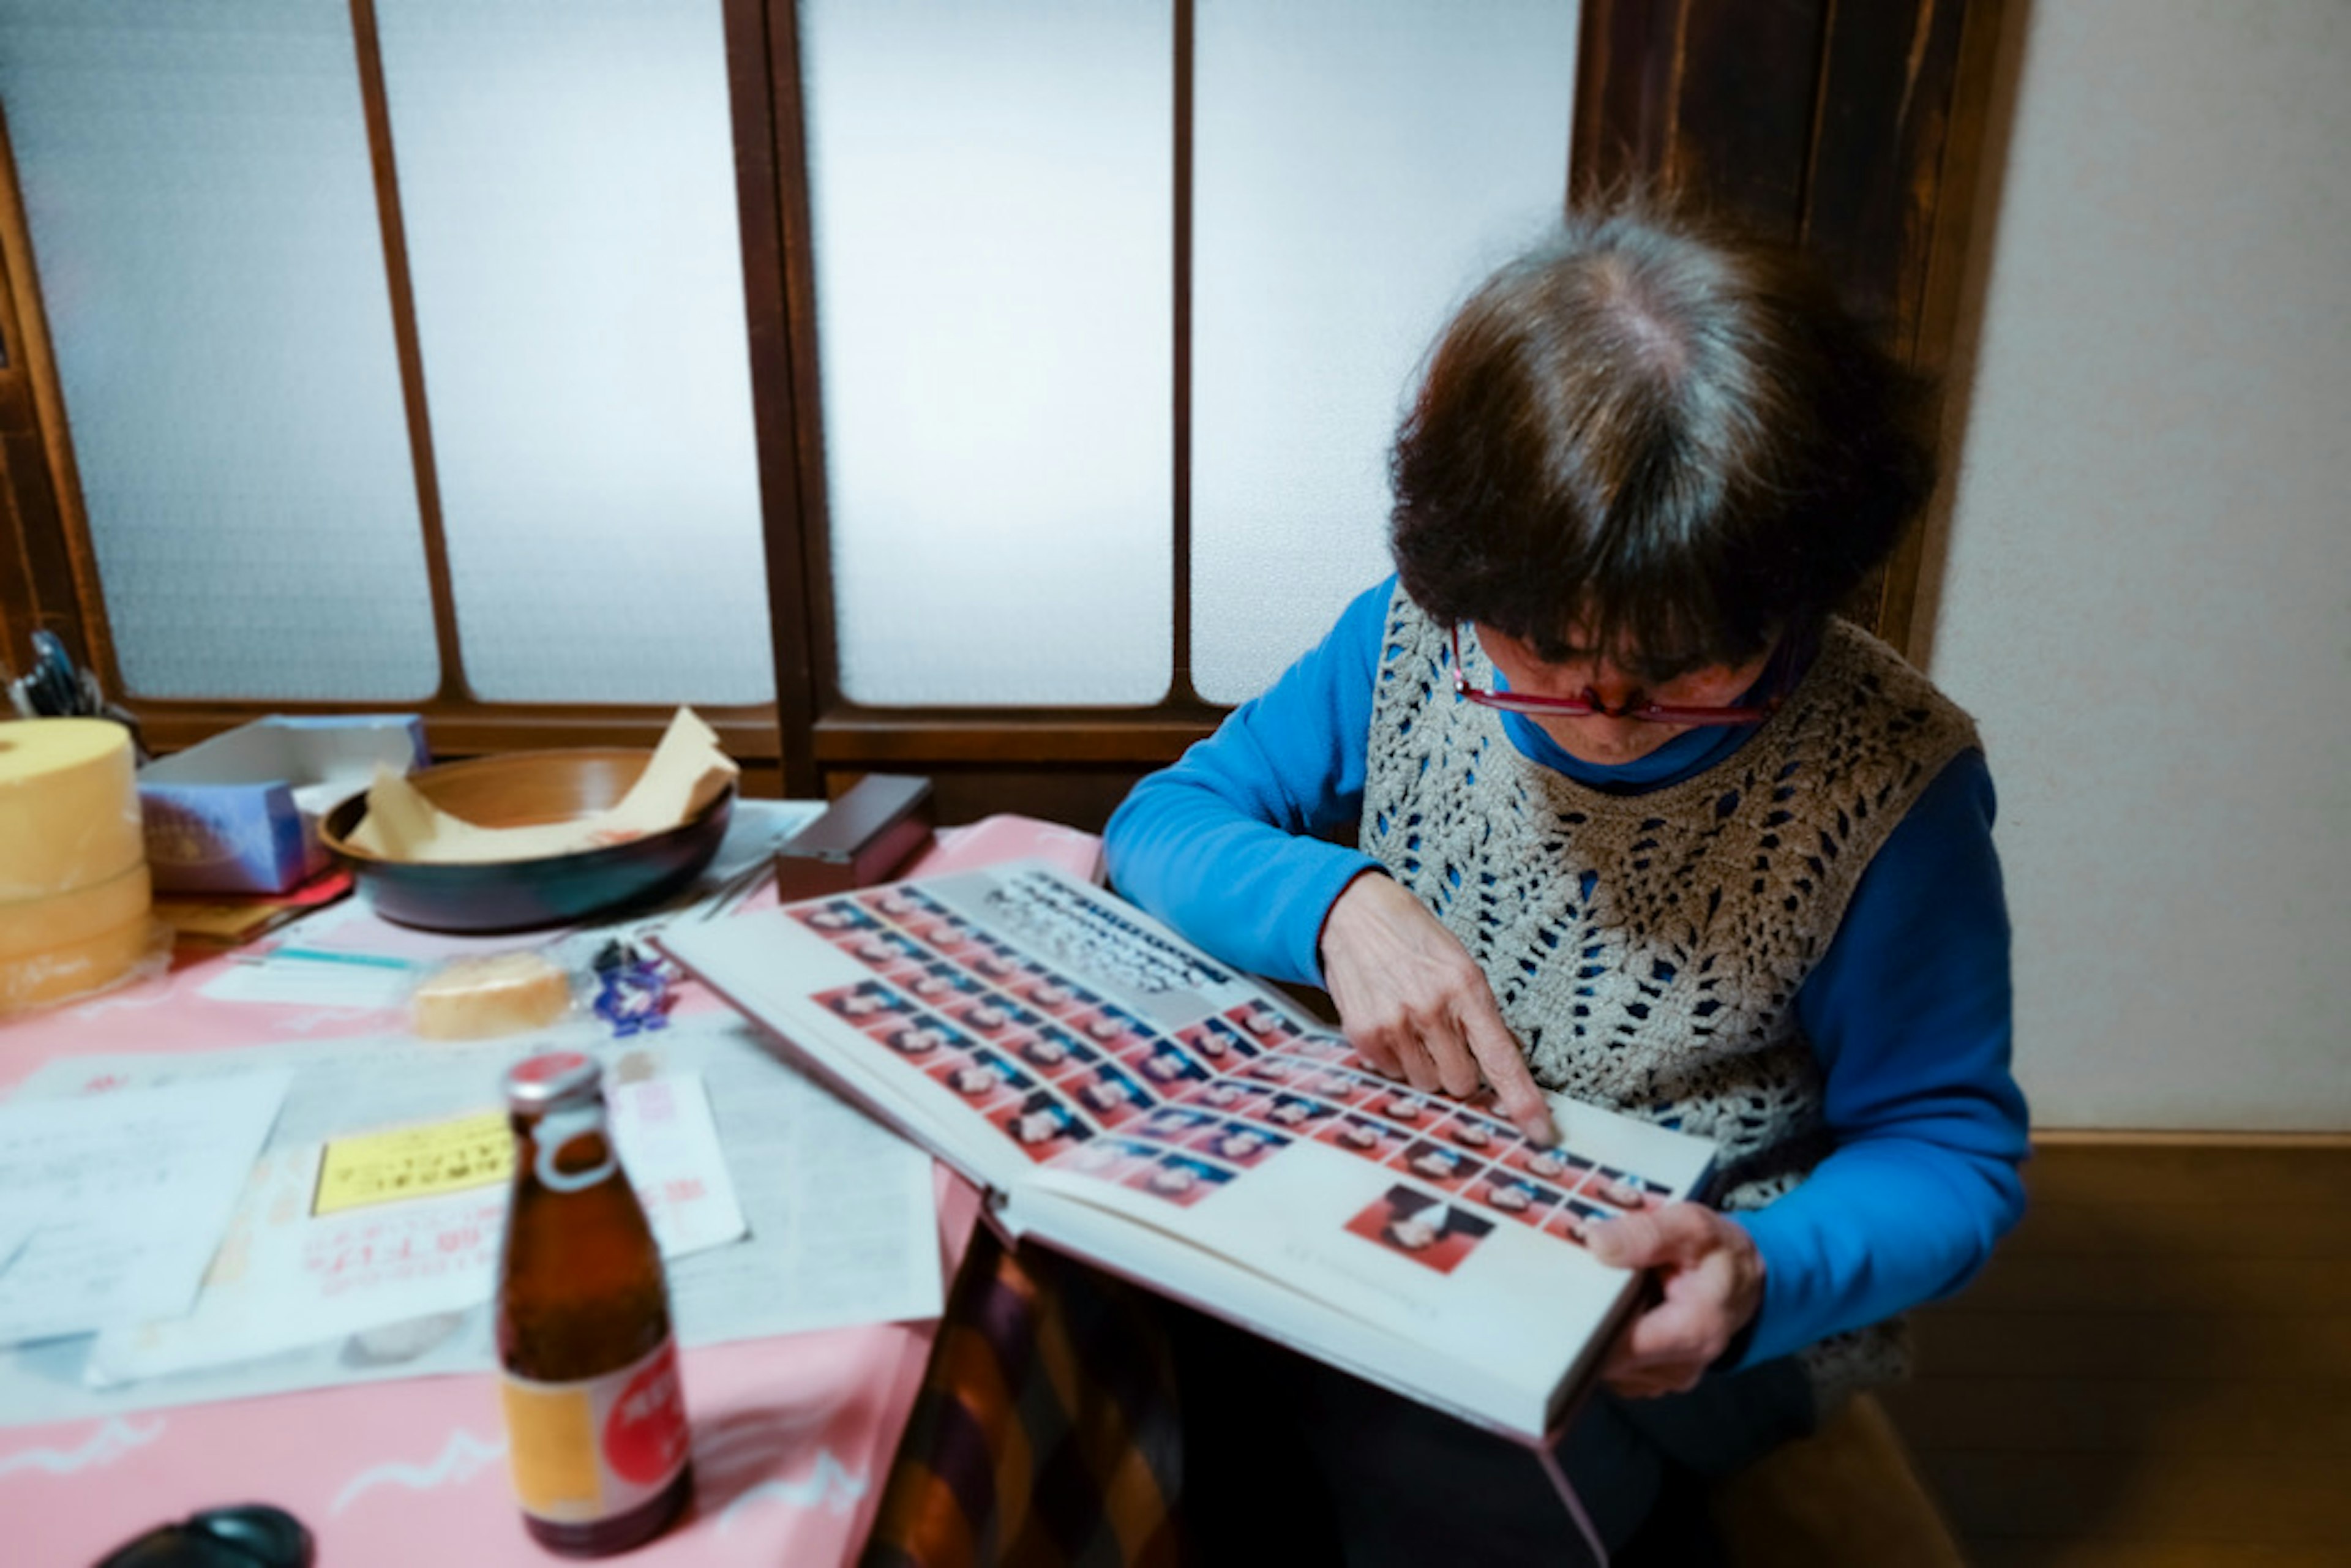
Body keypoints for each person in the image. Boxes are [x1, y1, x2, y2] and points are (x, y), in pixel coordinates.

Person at [1104, 201, 2028, 1562]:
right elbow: (1164, 822)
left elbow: (1952, 1149)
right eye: (1545, 648)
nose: (1601, 709)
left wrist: (1763, 1277)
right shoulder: (1411, 644)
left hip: (1688, 1281)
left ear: (1793, 595)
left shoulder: (1891, 781)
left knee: (1434, 1464)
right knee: (1139, 1322)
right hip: (1403, 1205)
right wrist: (1339, 903)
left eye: (1681, 667)